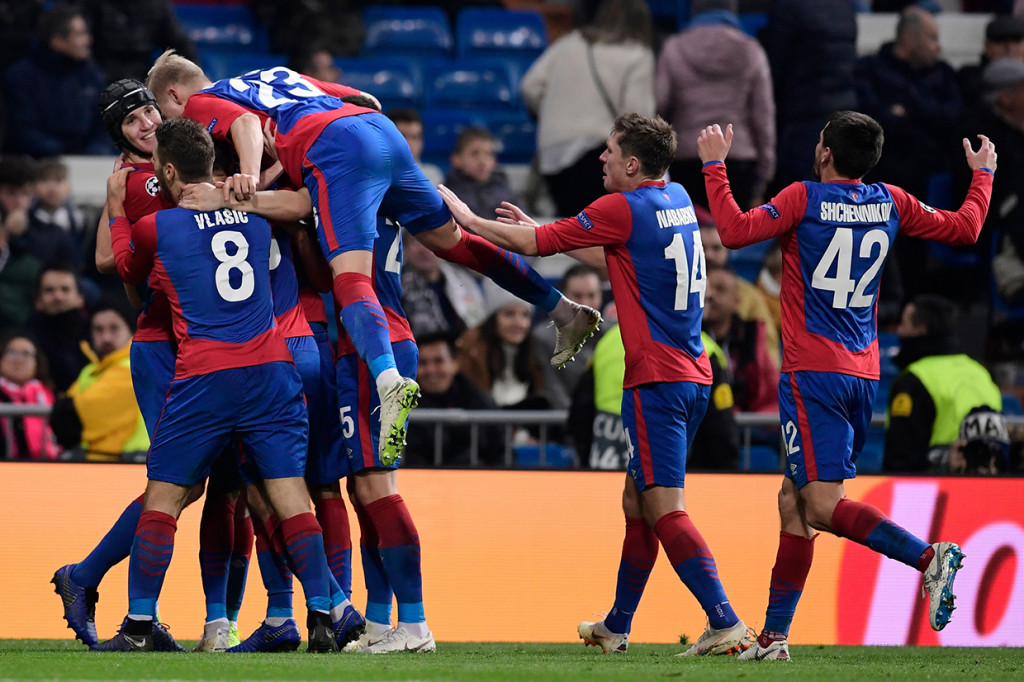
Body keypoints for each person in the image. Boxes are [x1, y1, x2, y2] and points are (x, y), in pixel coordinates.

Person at [145, 53, 600, 464]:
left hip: (336, 148)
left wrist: (243, 181)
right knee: (456, 242)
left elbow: (244, 127)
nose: (172, 129)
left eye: (166, 115)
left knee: (350, 280)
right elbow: (364, 99)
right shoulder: (275, 75)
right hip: (381, 134)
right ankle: (562, 308)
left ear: (174, 94)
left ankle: (387, 382)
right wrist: (271, 172)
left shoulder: (204, 102)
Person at [439, 112, 754, 657]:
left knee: (664, 506)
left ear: (632, 163)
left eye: (609, 151)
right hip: (693, 372)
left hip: (656, 380)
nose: (601, 159)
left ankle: (724, 620)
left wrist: (469, 218)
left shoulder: (622, 207)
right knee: (637, 501)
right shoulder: (674, 197)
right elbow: (615, 252)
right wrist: (541, 232)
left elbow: (537, 245)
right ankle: (616, 626)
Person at [696, 109, 995, 660]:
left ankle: (929, 558)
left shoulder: (802, 198)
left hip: (813, 373)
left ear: (825, 153)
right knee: (792, 500)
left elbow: (735, 232)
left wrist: (714, 165)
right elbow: (966, 228)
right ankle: (773, 638)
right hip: (862, 372)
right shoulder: (892, 201)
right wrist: (983, 175)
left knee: (821, 504)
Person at [94, 117, 339, 653]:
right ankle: (322, 614)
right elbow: (297, 205)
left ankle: (138, 626)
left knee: (164, 497)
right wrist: (245, 186)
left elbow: (126, 267)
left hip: (205, 374)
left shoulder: (155, 227)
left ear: (170, 170)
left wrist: (116, 211)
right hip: (272, 372)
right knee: (289, 493)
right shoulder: (254, 219)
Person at [520, 0, 656, 217]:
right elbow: (638, 116)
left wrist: (549, 116)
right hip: (598, 155)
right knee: (601, 232)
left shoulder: (571, 41)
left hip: (552, 155)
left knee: (573, 231)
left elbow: (530, 86)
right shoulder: (637, 53)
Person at [569, 324, 740, 471]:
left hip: (605, 471)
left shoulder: (610, 340)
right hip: (672, 480)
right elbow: (721, 434)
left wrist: (587, 463)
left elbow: (580, 414)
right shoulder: (701, 349)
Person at [656, 0, 775, 210]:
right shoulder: (751, 51)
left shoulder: (674, 48)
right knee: (733, 240)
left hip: (686, 161)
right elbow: (763, 118)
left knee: (689, 239)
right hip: (739, 164)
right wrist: (763, 178)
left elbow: (659, 107)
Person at [883, 296, 1002, 473]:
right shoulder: (980, 373)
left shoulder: (914, 379)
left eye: (904, 324)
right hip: (987, 488)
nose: (898, 330)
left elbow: (900, 460)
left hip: (932, 491)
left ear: (920, 329)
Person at [764, 0, 857, 193]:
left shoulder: (789, 8)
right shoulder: (844, 7)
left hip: (804, 118)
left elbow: (775, 67)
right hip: (845, 114)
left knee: (803, 200)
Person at [2, 3, 111, 156]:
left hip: (87, 159)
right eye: (80, 34)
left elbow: (104, 125)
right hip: (36, 162)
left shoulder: (92, 74)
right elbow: (22, 130)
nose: (88, 40)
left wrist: (95, 151)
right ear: (58, 41)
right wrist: (61, 152)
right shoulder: (20, 76)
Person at [49, 300, 147, 462]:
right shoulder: (90, 370)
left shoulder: (135, 366)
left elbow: (72, 417)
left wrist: (64, 409)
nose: (106, 337)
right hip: (100, 462)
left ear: (131, 331)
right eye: (98, 330)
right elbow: (64, 415)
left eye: (114, 328)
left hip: (134, 461)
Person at [404, 332, 506, 467]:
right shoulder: (403, 405)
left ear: (455, 363)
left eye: (438, 361)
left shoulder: (481, 402)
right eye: (423, 363)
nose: (431, 370)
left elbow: (501, 454)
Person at [702, 266, 779, 413]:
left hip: (746, 427)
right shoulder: (691, 335)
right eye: (708, 289)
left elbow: (770, 392)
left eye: (720, 289)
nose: (711, 295)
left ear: (736, 300)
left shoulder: (752, 336)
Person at [401, 234, 486, 338]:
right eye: (415, 242)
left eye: (429, 243)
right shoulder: (398, 288)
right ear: (404, 250)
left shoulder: (464, 278)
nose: (422, 249)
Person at [26, 264, 89, 392]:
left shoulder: (97, 333)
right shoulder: (27, 340)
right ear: (38, 300)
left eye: (65, 289)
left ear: (80, 298)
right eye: (49, 290)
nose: (58, 296)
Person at [443, 127, 523, 221]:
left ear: (495, 160)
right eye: (474, 153)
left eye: (488, 154)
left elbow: (523, 226)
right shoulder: (448, 196)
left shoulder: (507, 193)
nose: (482, 161)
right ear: (456, 159)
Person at [0, 333, 58, 460]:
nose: (18, 360)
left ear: (36, 362)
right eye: (11, 352)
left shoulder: (46, 395)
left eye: (26, 354)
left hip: (43, 467)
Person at [22, 159, 81, 267]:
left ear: (68, 187)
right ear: (33, 186)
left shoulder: (78, 220)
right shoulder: (26, 218)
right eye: (44, 181)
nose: (52, 188)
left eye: (58, 181)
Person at [957, 15, 1024, 107]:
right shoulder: (970, 77)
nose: (1009, 48)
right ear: (987, 47)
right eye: (1000, 41)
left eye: (1016, 41)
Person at [387, 108, 443, 187]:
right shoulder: (373, 175)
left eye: (415, 137)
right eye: (403, 137)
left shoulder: (432, 175)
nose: (409, 143)